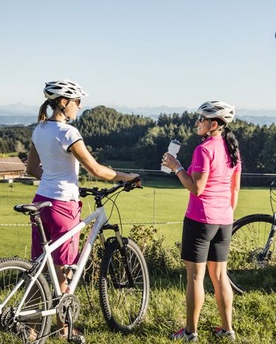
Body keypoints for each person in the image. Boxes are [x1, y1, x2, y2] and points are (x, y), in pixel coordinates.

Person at [26, 79, 139, 338]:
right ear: (64, 103)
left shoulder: (39, 129)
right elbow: (96, 170)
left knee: (39, 267)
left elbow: (32, 169)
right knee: (64, 270)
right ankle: (65, 329)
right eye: (77, 102)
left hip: (41, 201)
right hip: (63, 206)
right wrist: (128, 176)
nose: (79, 107)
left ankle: (30, 327)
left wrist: (54, 174)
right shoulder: (68, 133)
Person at [162, 101, 242, 342]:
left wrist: (176, 168)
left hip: (200, 220)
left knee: (195, 277)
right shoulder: (232, 149)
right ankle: (228, 330)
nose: (197, 123)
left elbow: (196, 188)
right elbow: (235, 189)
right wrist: (225, 213)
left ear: (213, 124)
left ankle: (190, 333)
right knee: (220, 276)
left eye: (201, 119)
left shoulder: (204, 150)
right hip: (224, 219)